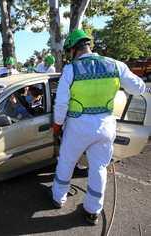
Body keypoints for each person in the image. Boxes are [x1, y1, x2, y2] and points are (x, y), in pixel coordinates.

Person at [51, 29, 146, 225]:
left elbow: (61, 104)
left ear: (73, 49)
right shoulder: (115, 65)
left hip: (77, 126)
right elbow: (138, 88)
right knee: (99, 167)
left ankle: (58, 198)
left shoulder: (71, 70)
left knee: (67, 162)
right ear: (88, 45)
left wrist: (57, 126)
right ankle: (93, 211)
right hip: (105, 125)